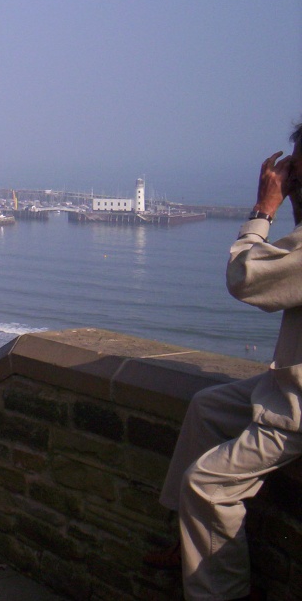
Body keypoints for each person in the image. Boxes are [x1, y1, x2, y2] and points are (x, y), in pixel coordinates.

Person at [146, 128, 302, 601]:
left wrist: (264, 211)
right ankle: (188, 541)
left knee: (207, 485)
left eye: (296, 168)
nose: (289, 177)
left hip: (297, 408)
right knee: (206, 407)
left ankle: (220, 594)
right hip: (287, 383)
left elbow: (246, 278)